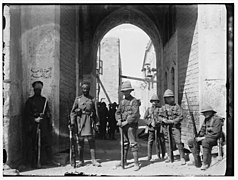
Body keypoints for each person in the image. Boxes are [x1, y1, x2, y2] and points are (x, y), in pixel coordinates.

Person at [70, 81, 101, 167]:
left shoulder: (92, 99)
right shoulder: (78, 99)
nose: (85, 90)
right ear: (82, 89)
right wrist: (72, 122)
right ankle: (81, 160)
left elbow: (96, 112)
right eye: (83, 89)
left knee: (91, 141)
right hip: (80, 122)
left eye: (87, 89)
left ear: (89, 89)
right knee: (80, 142)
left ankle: (94, 160)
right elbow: (72, 112)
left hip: (89, 121)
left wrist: (97, 123)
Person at [23, 81, 54, 168]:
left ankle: (43, 161)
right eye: (36, 89)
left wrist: (46, 116)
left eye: (39, 90)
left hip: (43, 125)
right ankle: (33, 163)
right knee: (33, 144)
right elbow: (26, 114)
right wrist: (35, 119)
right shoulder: (29, 101)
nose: (38, 91)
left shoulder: (44, 100)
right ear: (34, 90)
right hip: (33, 126)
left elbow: (48, 112)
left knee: (43, 143)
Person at [187, 104, 224, 170]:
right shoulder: (206, 120)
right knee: (191, 141)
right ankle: (197, 160)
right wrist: (197, 137)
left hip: (214, 139)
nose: (204, 114)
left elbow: (216, 133)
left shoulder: (217, 120)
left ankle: (205, 163)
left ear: (211, 112)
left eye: (206, 112)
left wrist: (202, 138)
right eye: (204, 113)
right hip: (207, 138)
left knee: (205, 142)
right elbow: (202, 131)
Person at [115, 81, 141, 171]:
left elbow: (135, 114)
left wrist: (126, 122)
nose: (125, 93)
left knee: (133, 144)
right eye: (124, 91)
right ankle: (123, 161)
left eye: (127, 91)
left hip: (131, 126)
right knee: (124, 144)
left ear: (130, 91)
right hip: (122, 126)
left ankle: (136, 163)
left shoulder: (134, 101)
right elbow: (117, 112)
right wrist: (118, 120)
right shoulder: (122, 102)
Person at [157, 89, 186, 165]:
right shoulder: (163, 107)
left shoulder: (176, 107)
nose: (168, 99)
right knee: (167, 142)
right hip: (166, 127)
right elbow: (158, 117)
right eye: (166, 98)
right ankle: (169, 156)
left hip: (175, 126)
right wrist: (163, 120)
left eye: (170, 97)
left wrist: (172, 121)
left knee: (178, 142)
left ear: (173, 98)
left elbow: (181, 116)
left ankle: (182, 157)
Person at [144, 94, 165, 162]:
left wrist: (159, 121)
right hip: (151, 128)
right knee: (150, 142)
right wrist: (150, 123)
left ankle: (162, 155)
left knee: (161, 141)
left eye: (156, 101)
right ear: (151, 102)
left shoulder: (160, 109)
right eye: (153, 101)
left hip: (159, 128)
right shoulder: (149, 109)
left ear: (157, 102)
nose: (154, 103)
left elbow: (163, 117)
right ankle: (149, 156)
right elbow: (145, 118)